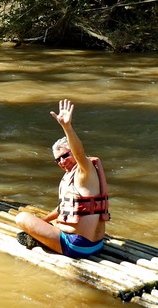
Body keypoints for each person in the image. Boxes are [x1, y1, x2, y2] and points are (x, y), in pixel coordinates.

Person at [15, 99, 109, 258]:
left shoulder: (84, 171)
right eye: (57, 160)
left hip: (77, 245)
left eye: (65, 155)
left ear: (73, 151)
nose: (62, 161)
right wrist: (44, 221)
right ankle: (43, 236)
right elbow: (65, 208)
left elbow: (79, 153)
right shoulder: (73, 177)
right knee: (44, 221)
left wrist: (67, 127)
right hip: (96, 244)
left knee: (22, 217)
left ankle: (40, 239)